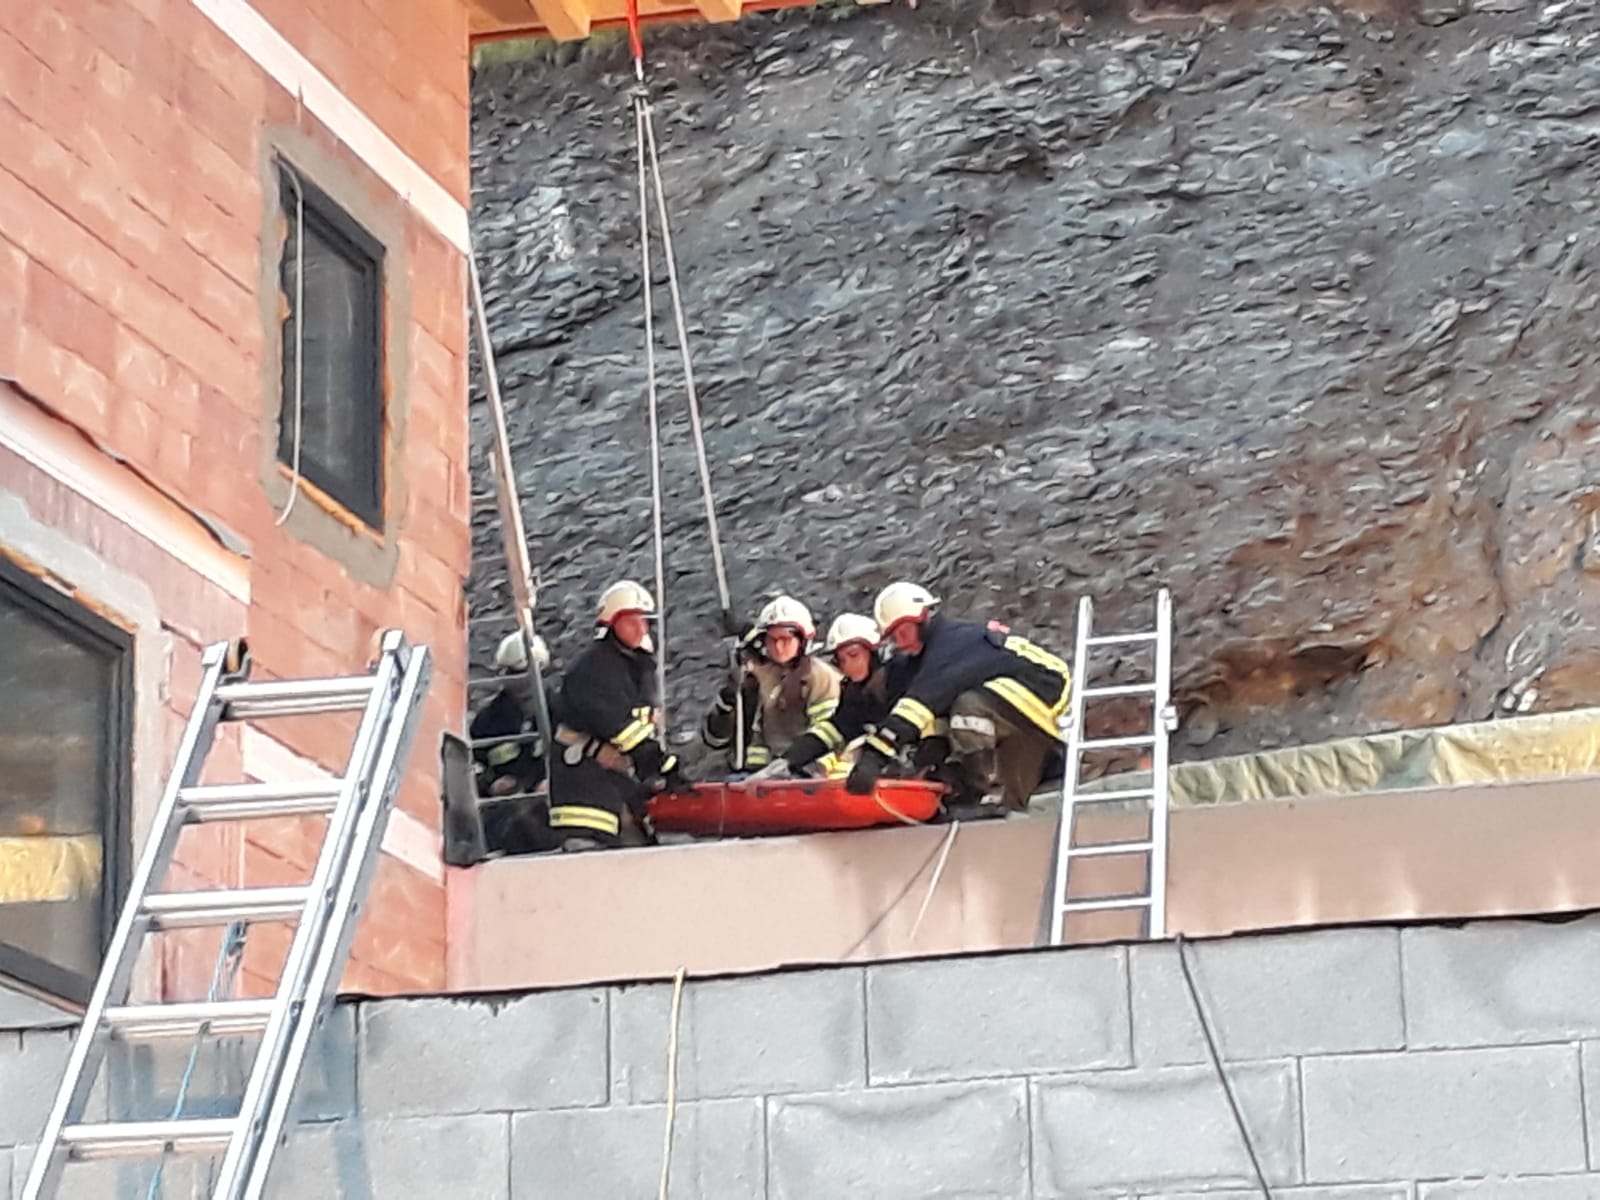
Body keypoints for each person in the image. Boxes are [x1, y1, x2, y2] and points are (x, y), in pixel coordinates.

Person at [845, 581, 1071, 812]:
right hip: (1022, 722)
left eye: (903, 632)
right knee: (1007, 808)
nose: (901, 643)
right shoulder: (925, 657)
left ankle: (980, 789)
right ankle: (991, 795)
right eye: (894, 638)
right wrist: (931, 756)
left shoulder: (950, 645)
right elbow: (933, 713)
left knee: (969, 707)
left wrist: (873, 759)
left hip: (1047, 692)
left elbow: (918, 705)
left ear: (923, 619)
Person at [548, 580, 689, 851]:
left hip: (616, 786)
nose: (641, 629)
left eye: (644, 622)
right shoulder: (595, 669)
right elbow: (621, 729)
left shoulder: (632, 668)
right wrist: (662, 764)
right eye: (631, 622)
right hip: (585, 797)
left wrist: (654, 774)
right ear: (611, 623)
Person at [701, 595, 842, 775]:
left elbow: (830, 738)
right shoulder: (753, 678)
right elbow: (715, 740)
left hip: (806, 776)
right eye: (772, 640)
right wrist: (726, 705)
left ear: (803, 640)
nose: (778, 647)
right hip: (757, 778)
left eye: (786, 640)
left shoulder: (820, 677)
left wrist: (805, 772)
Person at [751, 612, 894, 780]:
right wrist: (789, 760)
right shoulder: (854, 692)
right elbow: (835, 729)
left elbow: (902, 730)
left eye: (854, 655)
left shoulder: (895, 683)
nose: (848, 666)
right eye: (841, 660)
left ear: (875, 652)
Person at [469, 631, 562, 856]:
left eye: (515, 673)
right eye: (506, 673)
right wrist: (492, 783)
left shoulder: (562, 711)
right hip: (504, 807)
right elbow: (472, 765)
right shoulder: (488, 721)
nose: (509, 680)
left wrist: (556, 781)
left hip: (555, 801)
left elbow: (578, 755)